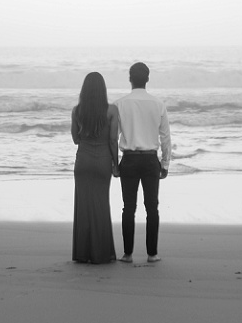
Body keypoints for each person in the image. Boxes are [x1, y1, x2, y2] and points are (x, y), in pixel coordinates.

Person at [113, 61, 172, 264]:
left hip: (128, 159)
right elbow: (165, 138)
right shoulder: (158, 104)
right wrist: (165, 164)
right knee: (152, 207)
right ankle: (152, 253)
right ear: (147, 79)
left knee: (128, 207)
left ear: (130, 78)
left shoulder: (120, 104)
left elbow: (113, 137)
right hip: (149, 159)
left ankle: (127, 254)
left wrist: (114, 164)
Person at [70, 71, 119, 264]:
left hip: (83, 161)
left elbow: (75, 139)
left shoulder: (76, 111)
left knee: (82, 208)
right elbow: (113, 141)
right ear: (103, 90)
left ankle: (82, 254)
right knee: (100, 206)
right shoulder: (112, 110)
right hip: (102, 162)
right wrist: (116, 165)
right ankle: (101, 254)